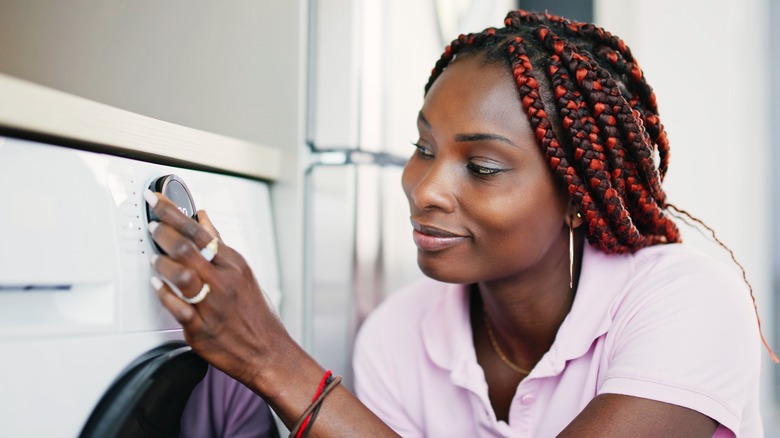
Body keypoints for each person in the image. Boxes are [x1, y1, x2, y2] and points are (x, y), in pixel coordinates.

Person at [146, 9, 768, 437]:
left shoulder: (687, 302)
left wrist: (273, 360)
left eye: (482, 166)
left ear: (576, 196)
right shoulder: (397, 335)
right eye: (423, 149)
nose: (425, 190)